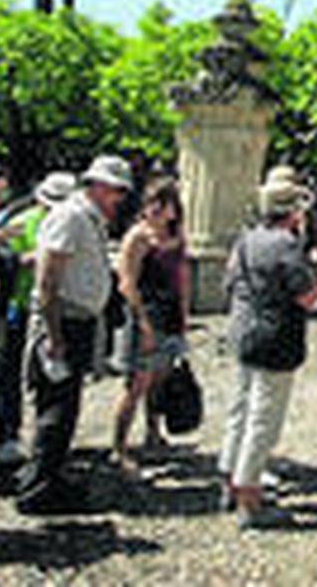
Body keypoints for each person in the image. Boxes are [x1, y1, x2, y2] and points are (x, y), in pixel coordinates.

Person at [17, 155, 131, 516]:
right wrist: (52, 334)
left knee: (65, 406)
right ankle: (39, 487)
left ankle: (51, 476)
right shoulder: (70, 217)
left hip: (78, 319)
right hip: (64, 320)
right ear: (97, 186)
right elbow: (48, 279)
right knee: (56, 407)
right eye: (116, 189)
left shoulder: (87, 218)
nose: (120, 197)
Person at [222, 172, 317, 530]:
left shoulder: (248, 240)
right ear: (292, 211)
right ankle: (250, 499)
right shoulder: (287, 246)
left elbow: (231, 281)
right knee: (265, 418)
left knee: (242, 409)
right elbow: (308, 295)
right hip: (276, 336)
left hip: (246, 330)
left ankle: (230, 478)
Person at [0, 172, 76, 468]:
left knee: (48, 374)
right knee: (9, 373)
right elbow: (4, 262)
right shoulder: (22, 221)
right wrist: (41, 258)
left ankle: (45, 435)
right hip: (21, 303)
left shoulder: (74, 220)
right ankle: (7, 435)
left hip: (58, 305)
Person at [110, 178, 188, 477]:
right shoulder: (137, 238)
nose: (157, 210)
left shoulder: (176, 234)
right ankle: (119, 446)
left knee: (161, 378)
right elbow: (126, 282)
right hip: (144, 312)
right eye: (153, 203)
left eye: (164, 204)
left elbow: (183, 276)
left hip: (169, 313)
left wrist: (183, 314)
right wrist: (142, 322)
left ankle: (153, 433)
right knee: (136, 384)